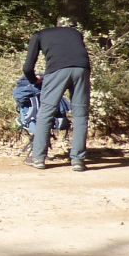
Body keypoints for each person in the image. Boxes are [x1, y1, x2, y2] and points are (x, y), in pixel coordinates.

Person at [22, 18, 91, 171]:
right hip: (82, 69)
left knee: (46, 112)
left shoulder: (39, 35)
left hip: (57, 71)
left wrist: (35, 81)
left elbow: (27, 67)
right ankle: (78, 160)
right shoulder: (75, 33)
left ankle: (39, 158)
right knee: (80, 114)